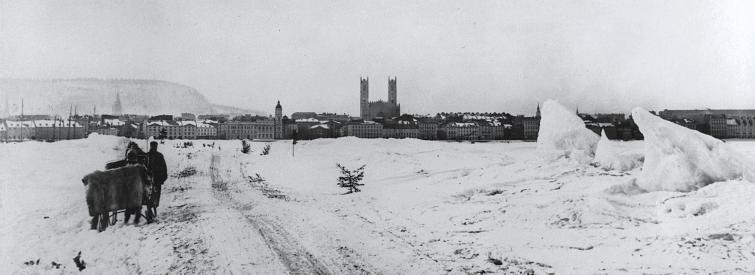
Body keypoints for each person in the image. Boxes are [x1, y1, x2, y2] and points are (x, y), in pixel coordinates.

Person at [145, 141, 167, 223]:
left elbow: (164, 168)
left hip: (153, 180)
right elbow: (164, 168)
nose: (154, 148)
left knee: (152, 196)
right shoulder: (156, 156)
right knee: (154, 196)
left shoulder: (148, 155)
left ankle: (150, 209)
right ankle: (150, 210)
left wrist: (162, 178)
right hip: (152, 180)